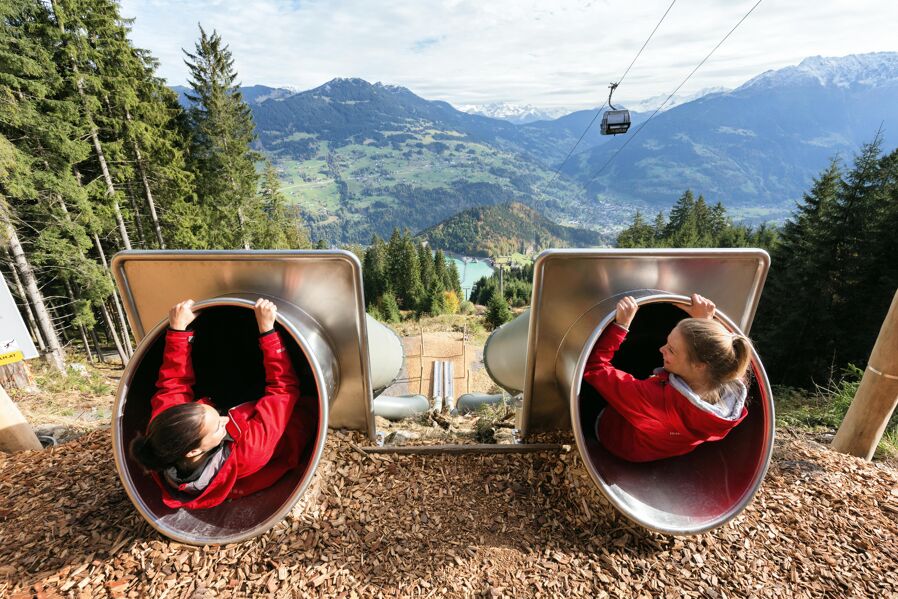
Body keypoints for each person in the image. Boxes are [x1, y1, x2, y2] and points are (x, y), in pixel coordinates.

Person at [130, 298, 314, 509]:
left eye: (216, 415)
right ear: (193, 451)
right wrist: (267, 331)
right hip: (296, 420)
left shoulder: (166, 433)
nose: (226, 419)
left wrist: (178, 331)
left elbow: (173, 384)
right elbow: (284, 389)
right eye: (218, 425)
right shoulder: (251, 450)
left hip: (252, 426)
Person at [583, 293, 753, 462]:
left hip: (614, 435)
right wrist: (705, 322)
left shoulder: (653, 399)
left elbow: (593, 367)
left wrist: (621, 325)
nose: (661, 349)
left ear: (700, 365)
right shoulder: (726, 382)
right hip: (660, 444)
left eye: (671, 350)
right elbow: (719, 355)